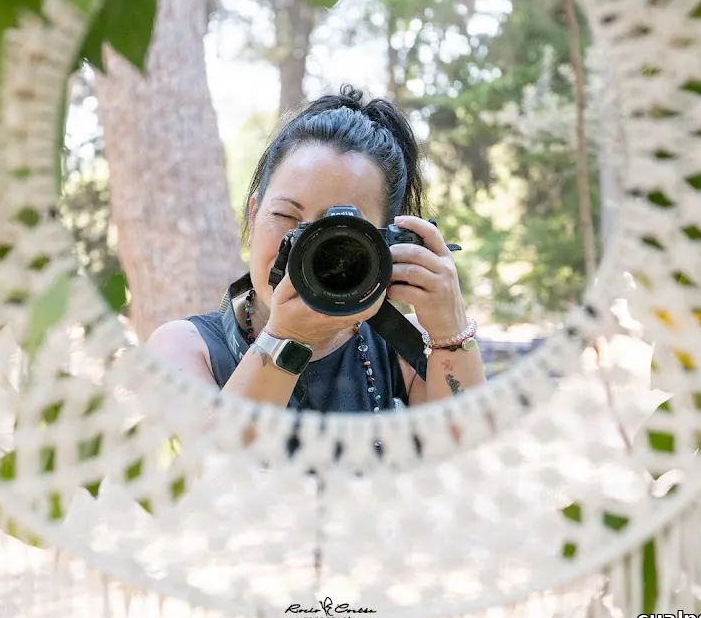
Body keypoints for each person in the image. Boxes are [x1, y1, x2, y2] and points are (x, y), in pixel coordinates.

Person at [147, 85, 487, 413]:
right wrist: (288, 338)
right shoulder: (183, 348)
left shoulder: (409, 349)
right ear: (253, 215)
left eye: (339, 232)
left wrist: (451, 332)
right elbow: (216, 454)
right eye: (286, 216)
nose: (306, 247)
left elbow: (464, 446)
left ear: (386, 245)